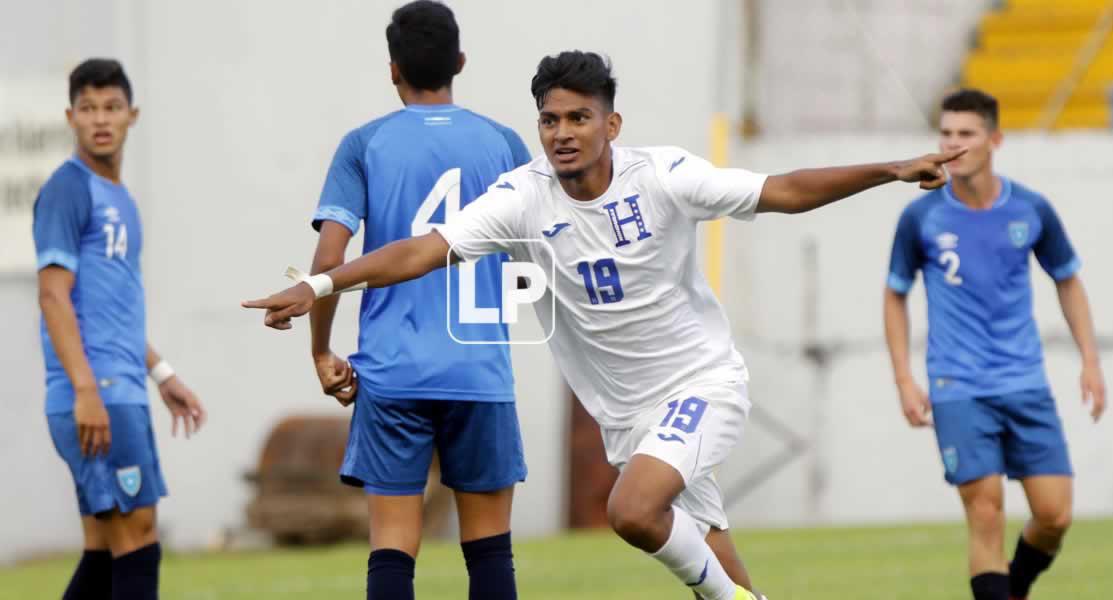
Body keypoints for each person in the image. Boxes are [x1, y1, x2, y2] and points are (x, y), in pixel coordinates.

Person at [245, 51, 959, 600]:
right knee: (712, 551)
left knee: (634, 511)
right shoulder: (520, 199)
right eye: (550, 120)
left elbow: (781, 190)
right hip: (629, 419)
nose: (562, 133)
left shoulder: (664, 177)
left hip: (703, 387)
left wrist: (890, 169)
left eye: (578, 118)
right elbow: (423, 249)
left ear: (610, 124)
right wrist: (320, 283)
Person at [303, 3, 529, 599]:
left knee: (393, 550)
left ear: (392, 69)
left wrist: (321, 350)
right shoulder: (504, 143)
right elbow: (540, 256)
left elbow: (329, 261)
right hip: (479, 371)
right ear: (459, 62)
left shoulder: (365, 143)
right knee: (489, 552)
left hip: (393, 370)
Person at [882, 89, 1106, 600]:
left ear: (994, 140)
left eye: (966, 133)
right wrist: (903, 378)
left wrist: (1090, 361)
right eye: (946, 133)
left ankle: (1014, 586)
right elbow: (894, 295)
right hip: (957, 385)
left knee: (1054, 515)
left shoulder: (1030, 209)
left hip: (1025, 381)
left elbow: (1067, 280)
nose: (952, 144)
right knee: (985, 512)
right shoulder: (922, 217)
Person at [34, 58, 207, 600]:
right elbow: (52, 295)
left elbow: (110, 307)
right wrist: (86, 389)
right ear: (71, 117)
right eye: (88, 109)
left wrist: (160, 371)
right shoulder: (68, 189)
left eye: (111, 107)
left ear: (132, 115)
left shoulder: (123, 200)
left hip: (120, 384)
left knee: (105, 546)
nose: (100, 119)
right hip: (98, 395)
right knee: (139, 538)